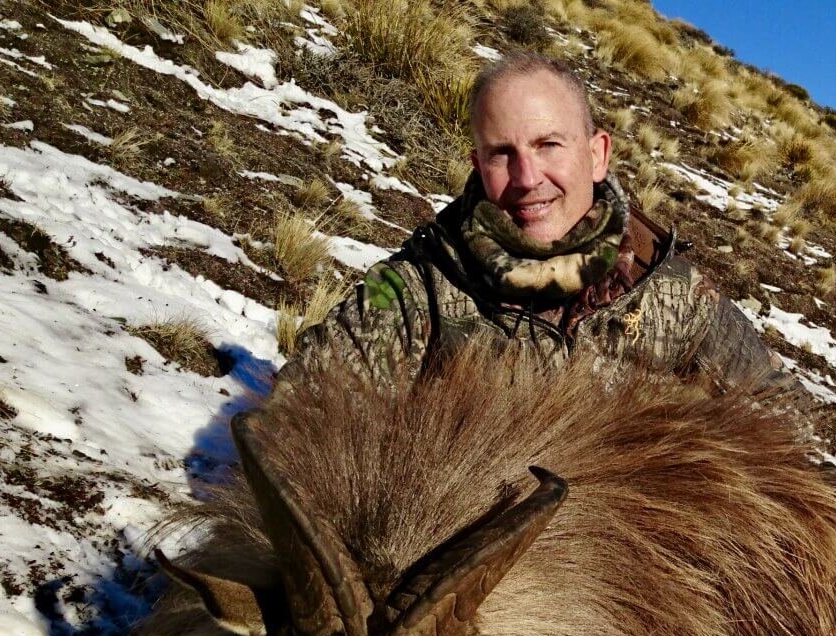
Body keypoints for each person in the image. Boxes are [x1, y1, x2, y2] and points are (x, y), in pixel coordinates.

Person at [275, 52, 795, 399]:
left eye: (549, 145)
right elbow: (303, 411)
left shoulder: (673, 292)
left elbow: (780, 419)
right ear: (478, 166)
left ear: (597, 155)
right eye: (502, 154)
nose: (527, 178)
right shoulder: (418, 286)